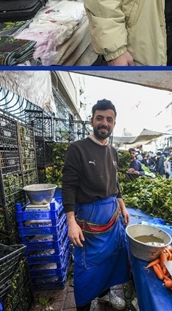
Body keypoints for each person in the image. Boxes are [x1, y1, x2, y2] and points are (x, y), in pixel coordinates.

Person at [61, 100, 129, 311]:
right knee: (87, 268)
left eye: (109, 119)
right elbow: (68, 186)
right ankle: (83, 306)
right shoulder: (77, 149)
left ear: (114, 123)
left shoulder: (113, 152)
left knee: (111, 260)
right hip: (88, 219)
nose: (104, 123)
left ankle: (105, 295)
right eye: (100, 118)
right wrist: (71, 222)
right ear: (92, 120)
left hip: (111, 215)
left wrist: (122, 205)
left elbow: (115, 184)